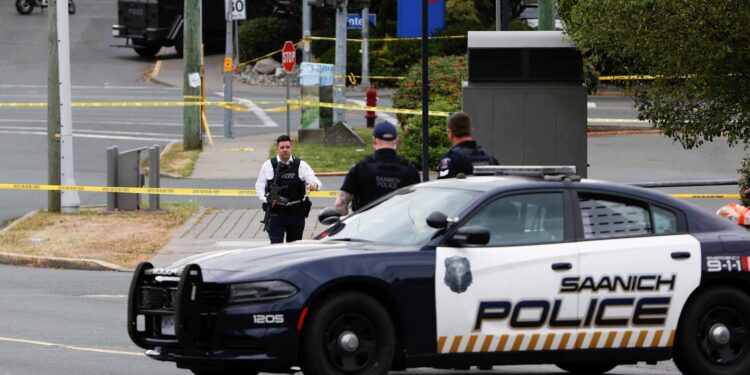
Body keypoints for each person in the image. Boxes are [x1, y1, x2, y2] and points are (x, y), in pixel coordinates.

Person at [335, 121, 420, 215]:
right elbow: (417, 203)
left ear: (374, 140)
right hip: (400, 227)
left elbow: (341, 203)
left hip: (366, 226)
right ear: (396, 139)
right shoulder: (410, 169)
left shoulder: (361, 168)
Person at [256, 135, 322, 244]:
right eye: (282, 147)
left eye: (287, 147)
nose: (285, 150)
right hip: (276, 211)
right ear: (277, 149)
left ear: (291, 148)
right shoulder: (268, 166)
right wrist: (267, 199)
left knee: (294, 246)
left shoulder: (300, 165)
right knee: (276, 245)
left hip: (295, 212)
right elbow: (259, 186)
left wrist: (314, 185)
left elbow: (316, 181)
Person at [437, 112, 498, 179]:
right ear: (471, 130)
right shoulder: (490, 159)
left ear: (450, 133)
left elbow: (443, 187)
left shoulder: (451, 160)